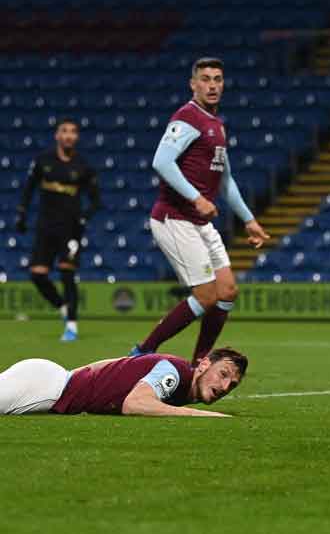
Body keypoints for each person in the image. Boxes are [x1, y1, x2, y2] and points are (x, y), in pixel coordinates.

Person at [130, 57, 269, 364]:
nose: (212, 85)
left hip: (199, 222)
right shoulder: (188, 116)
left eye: (217, 79)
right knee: (206, 296)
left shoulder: (216, 125)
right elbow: (161, 161)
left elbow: (226, 180)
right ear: (193, 84)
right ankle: (142, 350)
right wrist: (196, 198)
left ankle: (199, 363)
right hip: (174, 217)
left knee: (227, 290)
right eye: (205, 79)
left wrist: (249, 220)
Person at [14, 118, 100, 341]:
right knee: (37, 274)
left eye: (73, 132)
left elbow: (96, 199)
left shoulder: (83, 166)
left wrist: (84, 217)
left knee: (67, 273)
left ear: (77, 137)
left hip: (70, 229)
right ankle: (62, 306)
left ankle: (71, 326)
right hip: (45, 227)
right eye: (64, 131)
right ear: (57, 135)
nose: (69, 135)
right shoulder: (43, 161)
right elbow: (28, 189)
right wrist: (22, 213)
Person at [0, 347, 247, 417]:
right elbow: (135, 403)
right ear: (203, 364)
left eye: (232, 385)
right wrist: (202, 415)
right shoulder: (177, 372)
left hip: (52, 380)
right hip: (47, 387)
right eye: (223, 374)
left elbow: (118, 362)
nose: (225, 387)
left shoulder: (176, 374)